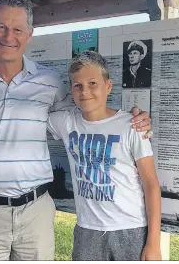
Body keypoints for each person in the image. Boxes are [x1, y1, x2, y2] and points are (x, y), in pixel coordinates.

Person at [0, 0, 152, 261]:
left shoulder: (51, 82)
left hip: (36, 212)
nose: (9, 36)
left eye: (18, 29)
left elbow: (87, 115)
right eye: (1, 27)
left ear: (30, 34)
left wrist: (134, 119)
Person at [47, 50, 161, 260]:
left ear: (108, 86)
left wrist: (153, 243)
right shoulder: (66, 122)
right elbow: (26, 115)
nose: (85, 92)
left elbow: (151, 184)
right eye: (77, 85)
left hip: (130, 229)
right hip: (87, 229)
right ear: (71, 90)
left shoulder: (132, 125)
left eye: (93, 83)